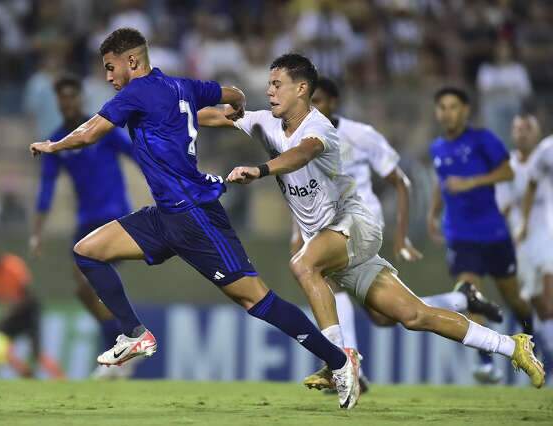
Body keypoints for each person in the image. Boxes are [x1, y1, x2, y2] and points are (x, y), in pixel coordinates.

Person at [30, 28, 360, 410]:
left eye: (110, 67)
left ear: (132, 62)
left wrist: (53, 145)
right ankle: (134, 334)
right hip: (167, 214)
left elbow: (90, 133)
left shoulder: (136, 92)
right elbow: (231, 93)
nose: (108, 78)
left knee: (255, 299)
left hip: (195, 215)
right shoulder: (182, 86)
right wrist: (235, 102)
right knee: (88, 251)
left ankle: (339, 361)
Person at [197, 53, 545, 392]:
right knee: (414, 315)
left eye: (277, 84)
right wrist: (174, 111)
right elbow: (214, 118)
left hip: (354, 225)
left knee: (303, 265)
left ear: (301, 89)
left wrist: (260, 170)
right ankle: (512, 346)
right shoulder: (266, 122)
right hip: (332, 240)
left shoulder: (320, 128)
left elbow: (301, 154)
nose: (269, 91)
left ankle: (338, 362)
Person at [296, 76, 503, 390]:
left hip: (358, 224)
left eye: (320, 101)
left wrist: (401, 235)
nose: (315, 108)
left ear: (334, 102)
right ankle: (461, 298)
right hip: (327, 226)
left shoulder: (360, 134)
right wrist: (298, 233)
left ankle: (347, 370)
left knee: (325, 280)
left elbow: (400, 182)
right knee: (384, 317)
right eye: (311, 102)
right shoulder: (303, 138)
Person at [30, 75, 136, 379]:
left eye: (72, 96)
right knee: (82, 290)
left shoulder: (100, 130)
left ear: (80, 99)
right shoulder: (57, 141)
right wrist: (37, 232)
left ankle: (123, 346)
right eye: (62, 98)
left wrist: (164, 184)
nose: (68, 102)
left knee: (87, 280)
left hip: (114, 216)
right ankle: (123, 344)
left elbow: (135, 154)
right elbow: (46, 189)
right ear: (58, 102)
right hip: (85, 221)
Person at [427, 87, 535, 383]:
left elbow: (507, 173)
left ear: (465, 111)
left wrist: (473, 181)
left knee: (514, 298)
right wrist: (432, 213)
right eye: (442, 107)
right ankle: (485, 362)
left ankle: (532, 339)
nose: (447, 112)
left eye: (453, 106)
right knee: (469, 294)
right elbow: (442, 182)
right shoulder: (436, 147)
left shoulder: (482, 140)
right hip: (461, 235)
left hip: (494, 233)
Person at [0, 249, 64, 379]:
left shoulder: (13, 266)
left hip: (29, 311)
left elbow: (26, 294)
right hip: (14, 314)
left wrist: (10, 311)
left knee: (36, 353)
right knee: (1, 345)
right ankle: (25, 373)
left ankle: (60, 377)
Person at [511, 118, 553, 373]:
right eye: (518, 129)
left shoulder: (543, 152)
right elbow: (531, 185)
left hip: (549, 235)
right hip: (524, 243)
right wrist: (523, 223)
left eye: (528, 129)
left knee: (549, 301)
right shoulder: (547, 152)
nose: (523, 135)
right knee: (536, 304)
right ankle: (542, 351)